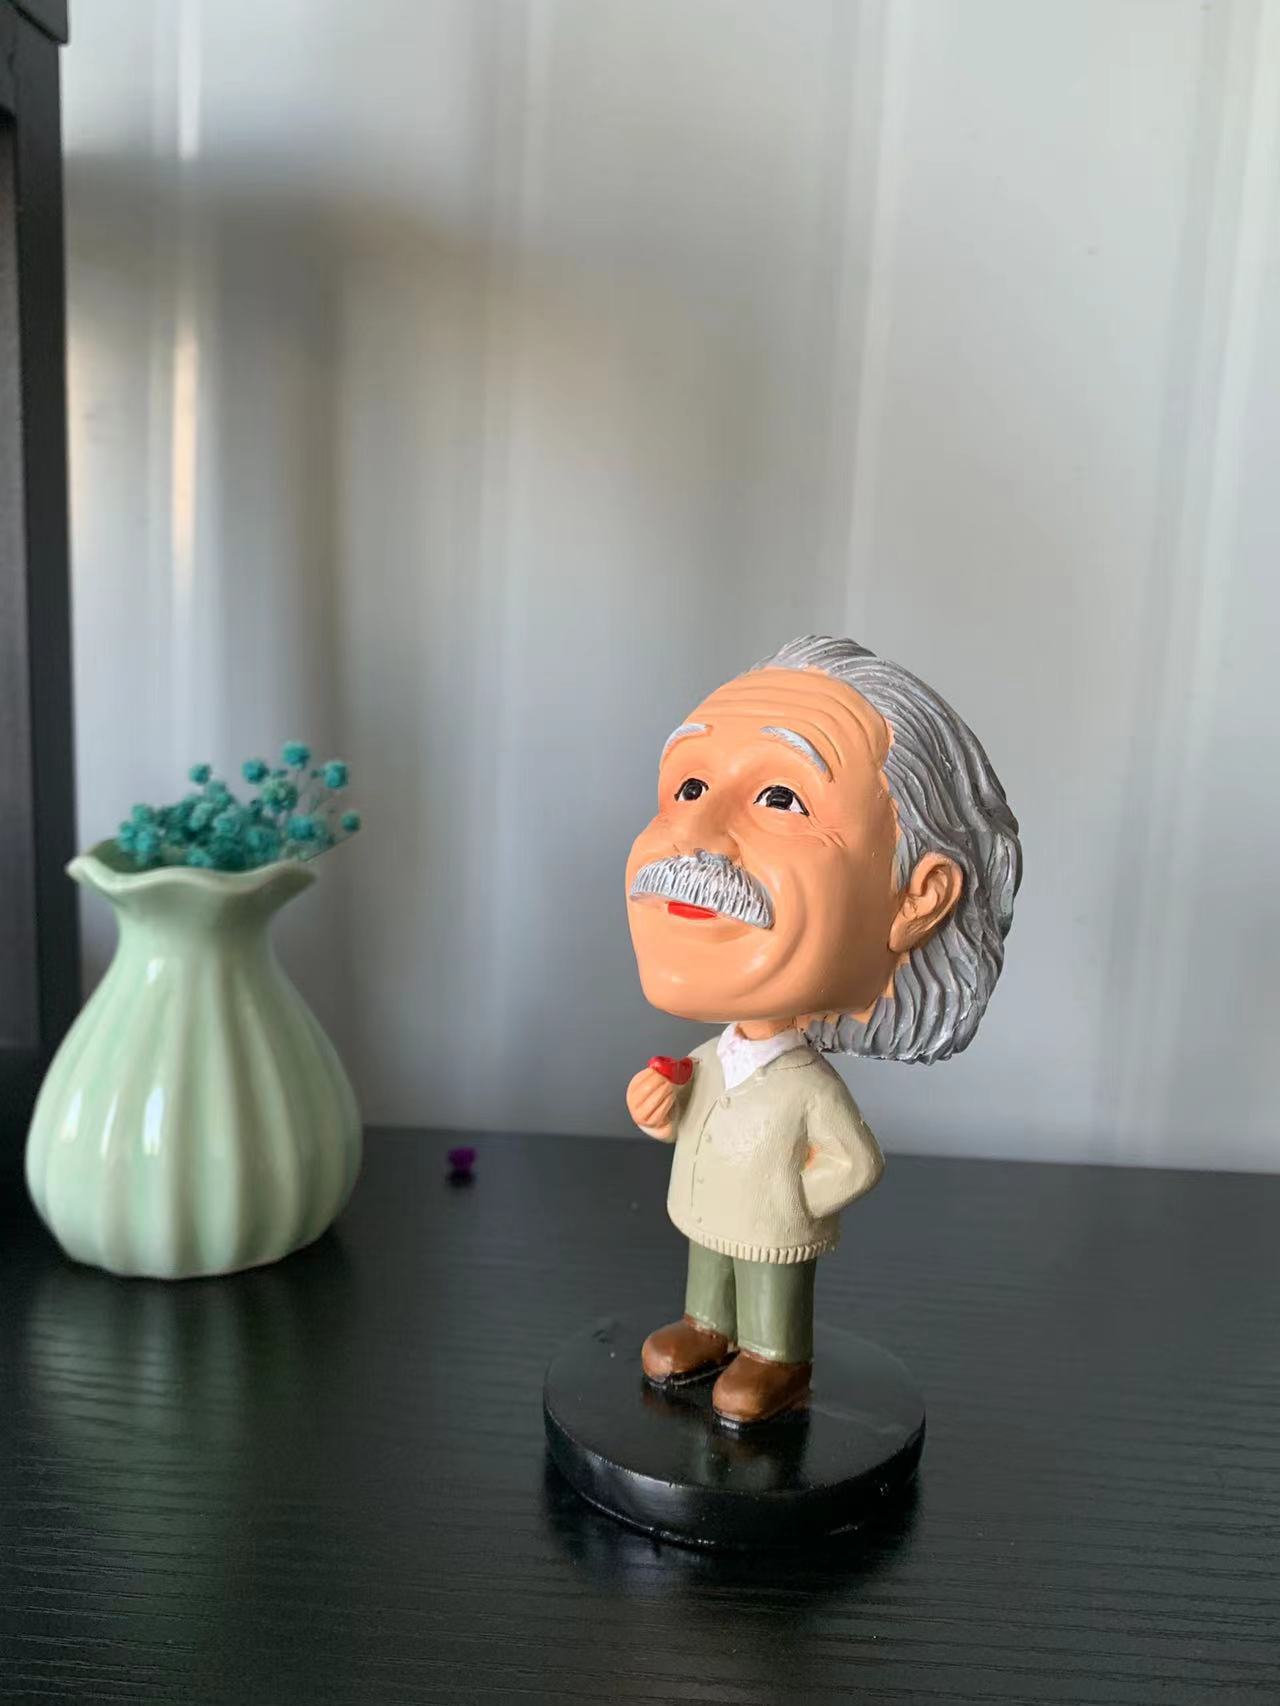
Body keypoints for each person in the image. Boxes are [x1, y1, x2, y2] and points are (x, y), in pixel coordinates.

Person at [625, 635, 1021, 1425]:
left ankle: (776, 1356)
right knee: (710, 1276)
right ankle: (708, 1326)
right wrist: (661, 1111)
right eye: (689, 786)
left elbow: (855, 1161)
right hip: (706, 1213)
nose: (691, 833)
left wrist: (789, 1201)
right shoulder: (711, 1059)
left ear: (919, 897)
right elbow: (694, 1117)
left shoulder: (805, 1088)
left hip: (773, 1228)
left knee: (767, 1290)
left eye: (781, 798)